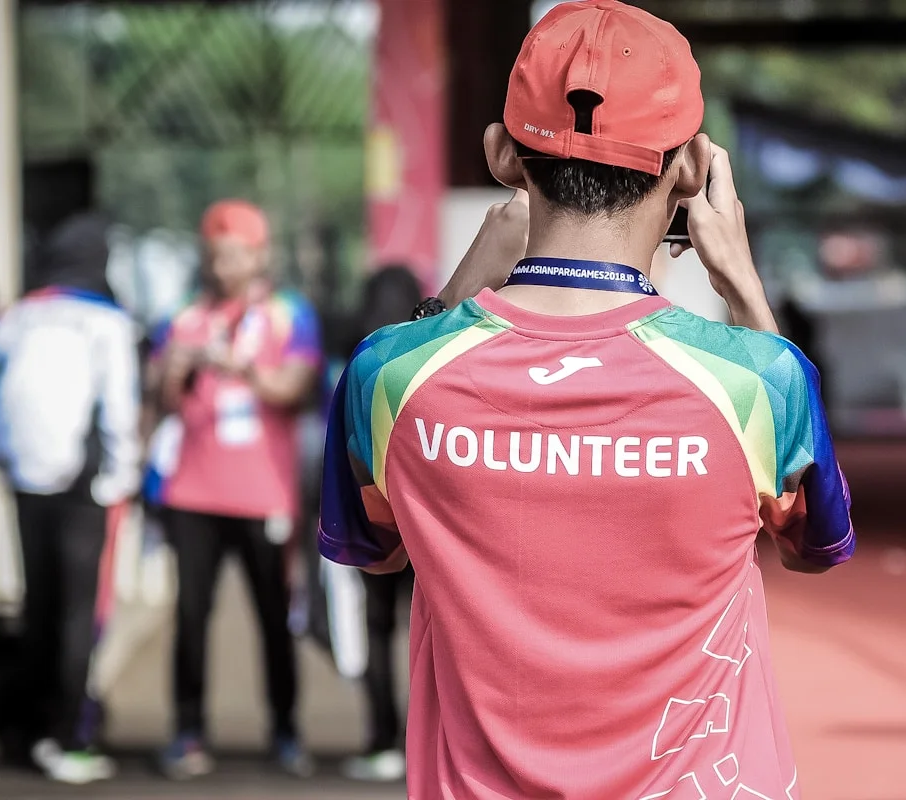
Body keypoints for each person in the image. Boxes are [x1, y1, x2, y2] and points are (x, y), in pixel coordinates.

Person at [318, 3, 855, 796]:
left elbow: (376, 549)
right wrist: (741, 286)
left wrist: (465, 284)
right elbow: (813, 546)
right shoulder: (757, 379)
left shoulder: (388, 376)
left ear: (502, 155)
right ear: (692, 170)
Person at [0, 213, 140, 784]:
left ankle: (26, 733)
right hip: (86, 489)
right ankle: (69, 737)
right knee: (77, 614)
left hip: (26, 484)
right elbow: (119, 409)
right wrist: (119, 478)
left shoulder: (15, 317)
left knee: (36, 604)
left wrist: (8, 460)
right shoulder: (107, 322)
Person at [151, 200, 320, 780]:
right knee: (191, 618)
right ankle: (188, 731)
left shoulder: (286, 314)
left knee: (274, 618)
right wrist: (174, 368)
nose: (223, 265)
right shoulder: (183, 316)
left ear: (258, 254)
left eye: (235, 254)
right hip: (192, 493)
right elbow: (161, 398)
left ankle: (286, 730)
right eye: (216, 254)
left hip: (263, 494)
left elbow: (293, 388)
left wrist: (239, 366)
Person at [335, 265, 424, 783]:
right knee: (432, 631)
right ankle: (425, 736)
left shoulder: (362, 354)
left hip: (373, 515)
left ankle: (380, 738)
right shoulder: (425, 354)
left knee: (376, 629)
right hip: (425, 522)